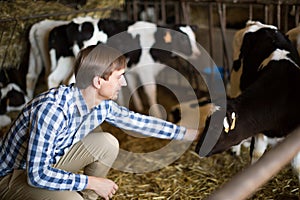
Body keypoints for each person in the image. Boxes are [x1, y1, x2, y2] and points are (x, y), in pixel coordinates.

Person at [0, 44, 199, 200]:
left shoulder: (100, 104)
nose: (124, 83)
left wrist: (187, 134)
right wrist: (90, 182)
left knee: (108, 143)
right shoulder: (53, 110)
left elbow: (138, 122)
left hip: (48, 163)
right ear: (98, 82)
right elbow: (38, 175)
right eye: (119, 77)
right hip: (12, 177)